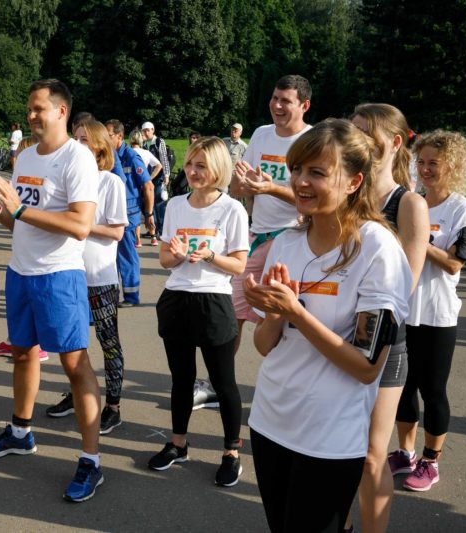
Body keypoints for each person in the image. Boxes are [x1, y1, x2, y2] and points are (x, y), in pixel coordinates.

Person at [244, 119, 411, 532]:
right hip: (270, 422)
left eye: (317, 172)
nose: (301, 181)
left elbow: (366, 366)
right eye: (297, 169)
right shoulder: (285, 242)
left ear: (354, 182)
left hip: (329, 437)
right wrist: (274, 314)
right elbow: (264, 346)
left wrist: (298, 313)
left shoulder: (377, 249)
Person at [0, 79, 104, 502]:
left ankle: (91, 460)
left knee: (75, 365)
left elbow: (80, 225)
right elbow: (19, 219)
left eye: (38, 108)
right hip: (20, 272)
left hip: (59, 276)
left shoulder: (77, 158)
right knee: (23, 353)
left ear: (61, 111)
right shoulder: (25, 155)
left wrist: (21, 209)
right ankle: (20, 431)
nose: (30, 115)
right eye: (29, 108)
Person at [347, 103, 429, 532]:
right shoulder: (346, 194)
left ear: (395, 142)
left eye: (367, 132)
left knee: (371, 455)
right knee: (337, 448)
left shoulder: (409, 203)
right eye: (354, 130)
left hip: (383, 344)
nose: (357, 139)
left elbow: (404, 287)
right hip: (332, 335)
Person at [149, 137, 248, 487]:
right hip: (176, 299)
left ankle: (231, 452)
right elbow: (164, 259)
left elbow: (239, 265)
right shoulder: (176, 205)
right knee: (181, 380)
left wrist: (210, 256)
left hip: (214, 302)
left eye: (201, 165)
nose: (192, 171)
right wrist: (176, 256)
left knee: (223, 382)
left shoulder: (232, 209)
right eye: (190, 163)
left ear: (218, 169)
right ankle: (178, 444)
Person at [392, 129, 466, 492]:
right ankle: (405, 452)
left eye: (433, 163)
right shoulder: (411, 201)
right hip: (404, 309)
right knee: (402, 387)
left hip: (438, 313)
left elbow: (454, 264)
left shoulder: (461, 208)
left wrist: (417, 239)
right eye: (420, 162)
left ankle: (430, 461)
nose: (424, 169)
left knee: (433, 390)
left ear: (452, 166)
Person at [45, 120, 127, 435]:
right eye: (74, 138)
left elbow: (117, 232)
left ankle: (113, 407)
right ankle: (77, 393)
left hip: (100, 278)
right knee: (73, 344)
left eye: (84, 140)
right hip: (69, 273)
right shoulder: (69, 179)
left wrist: (79, 224)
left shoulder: (110, 182)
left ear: (100, 147)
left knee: (108, 342)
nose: (76, 144)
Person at [229, 74, 313, 356]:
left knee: (278, 319)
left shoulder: (312, 141)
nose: (277, 105)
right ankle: (220, 378)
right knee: (232, 314)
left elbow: (316, 199)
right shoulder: (262, 134)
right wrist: (242, 181)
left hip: (294, 238)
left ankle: (278, 379)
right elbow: (238, 187)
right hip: (257, 236)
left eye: (285, 101)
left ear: (304, 106)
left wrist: (271, 188)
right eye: (275, 98)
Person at [0, 135, 48, 363]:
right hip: (21, 263)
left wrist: (15, 209)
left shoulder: (42, 177)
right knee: (22, 317)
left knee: (72, 357)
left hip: (44, 265)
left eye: (21, 153)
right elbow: (17, 223)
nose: (17, 158)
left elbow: (30, 217)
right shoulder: (22, 177)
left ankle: (37, 346)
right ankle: (17, 342)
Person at [105, 119, 152, 306]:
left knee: (126, 256)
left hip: (128, 214)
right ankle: (113, 295)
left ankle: (131, 296)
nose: (105, 139)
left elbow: (148, 186)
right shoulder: (109, 155)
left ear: (119, 136)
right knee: (111, 257)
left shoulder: (131, 156)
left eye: (108, 135)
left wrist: (148, 214)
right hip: (112, 212)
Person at [128, 129, 162, 248]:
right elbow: (159, 165)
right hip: (145, 184)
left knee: (136, 212)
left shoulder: (128, 152)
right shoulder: (146, 153)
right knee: (149, 211)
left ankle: (138, 240)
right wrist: (149, 178)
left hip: (133, 186)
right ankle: (153, 237)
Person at [141, 121, 171, 236]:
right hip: (148, 178)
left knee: (159, 204)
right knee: (150, 204)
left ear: (153, 130)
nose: (146, 133)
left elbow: (164, 159)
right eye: (144, 131)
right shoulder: (143, 143)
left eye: (148, 130)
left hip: (158, 177)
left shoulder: (159, 141)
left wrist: (166, 175)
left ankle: (162, 230)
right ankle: (152, 230)